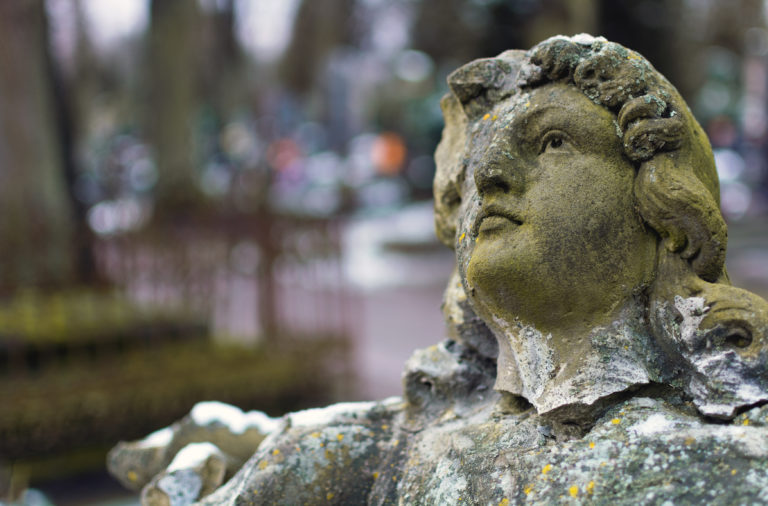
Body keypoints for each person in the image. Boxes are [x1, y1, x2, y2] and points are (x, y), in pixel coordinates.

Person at [110, 35, 768, 505]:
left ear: (663, 210)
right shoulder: (375, 450)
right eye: (481, 159)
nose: (490, 174)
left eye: (552, 142)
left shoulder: (731, 461)